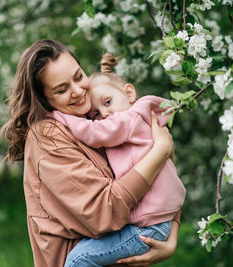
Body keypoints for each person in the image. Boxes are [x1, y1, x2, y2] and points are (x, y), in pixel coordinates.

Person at [0, 39, 180, 267]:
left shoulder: (94, 117)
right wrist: (161, 150)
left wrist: (171, 235)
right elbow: (104, 212)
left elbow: (164, 176)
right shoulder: (48, 136)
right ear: (44, 99)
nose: (77, 91)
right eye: (62, 89)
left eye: (78, 77)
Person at [52, 53, 186, 267]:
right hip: (156, 222)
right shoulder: (133, 128)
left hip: (148, 227)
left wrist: (59, 117)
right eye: (95, 114)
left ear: (129, 93)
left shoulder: (131, 119)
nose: (104, 114)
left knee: (78, 259)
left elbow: (94, 133)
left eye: (108, 102)